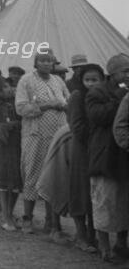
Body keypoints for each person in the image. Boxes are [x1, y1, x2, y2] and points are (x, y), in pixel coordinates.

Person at [15, 50, 70, 234]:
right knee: (32, 174)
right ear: (36, 63)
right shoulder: (26, 80)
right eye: (43, 61)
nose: (47, 64)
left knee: (54, 176)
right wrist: (49, 105)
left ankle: (52, 222)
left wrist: (64, 106)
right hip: (35, 136)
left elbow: (68, 100)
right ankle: (27, 218)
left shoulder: (58, 81)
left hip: (57, 136)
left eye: (50, 61)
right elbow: (21, 108)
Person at [86, 54, 129, 262]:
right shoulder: (97, 92)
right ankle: (105, 249)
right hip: (104, 155)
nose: (128, 75)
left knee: (124, 203)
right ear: (113, 74)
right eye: (125, 71)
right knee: (104, 202)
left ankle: (122, 245)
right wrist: (121, 98)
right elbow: (98, 116)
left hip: (123, 154)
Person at [67, 63, 104, 253]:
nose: (91, 84)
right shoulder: (77, 96)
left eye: (95, 80)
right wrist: (95, 138)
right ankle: (81, 236)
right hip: (82, 150)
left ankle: (93, 236)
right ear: (81, 81)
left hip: (99, 150)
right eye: (87, 80)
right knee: (80, 192)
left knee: (95, 194)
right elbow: (76, 126)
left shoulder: (103, 97)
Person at [0, 78, 22, 232]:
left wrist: (18, 124)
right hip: (2, 146)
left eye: (8, 86)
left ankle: (10, 211)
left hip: (17, 144)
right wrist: (5, 127)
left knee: (16, 178)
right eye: (3, 88)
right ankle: (4, 215)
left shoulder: (17, 101)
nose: (7, 90)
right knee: (3, 178)